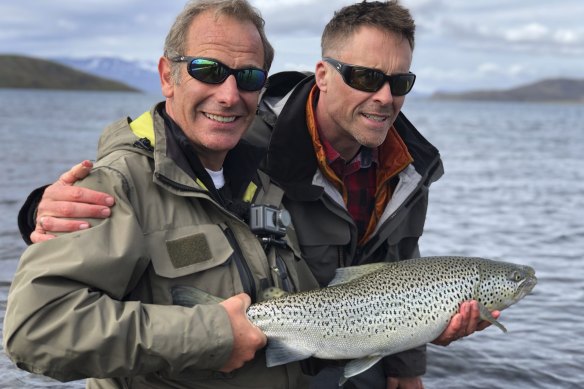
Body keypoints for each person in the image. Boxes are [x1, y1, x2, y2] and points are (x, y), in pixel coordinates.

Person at [13, 1, 499, 389]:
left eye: (400, 82)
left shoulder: (407, 169)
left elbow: (403, 264)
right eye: (366, 77)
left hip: (338, 354)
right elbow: (157, 152)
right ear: (323, 74)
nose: (385, 96)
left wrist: (409, 358)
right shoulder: (259, 146)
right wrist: (44, 207)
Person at [3, 1, 320, 388]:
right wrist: (212, 336)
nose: (229, 94)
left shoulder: (267, 183)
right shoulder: (115, 186)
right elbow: (36, 330)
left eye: (249, 77)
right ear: (168, 77)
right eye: (209, 70)